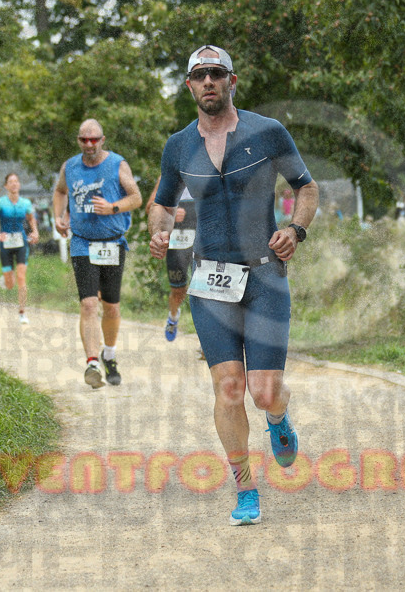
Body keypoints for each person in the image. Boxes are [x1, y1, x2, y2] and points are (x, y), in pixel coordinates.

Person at [148, 45, 319, 526]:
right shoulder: (178, 145)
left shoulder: (267, 132)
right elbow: (159, 202)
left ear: (232, 80)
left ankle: (278, 417)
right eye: (199, 75)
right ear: (188, 86)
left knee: (264, 392)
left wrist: (296, 230)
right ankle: (245, 489)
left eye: (216, 74)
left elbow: (306, 186)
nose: (208, 82)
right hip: (210, 282)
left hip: (264, 274)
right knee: (228, 388)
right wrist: (158, 231)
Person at [53, 118, 142, 389]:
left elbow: (136, 198)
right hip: (82, 242)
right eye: (84, 140)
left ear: (102, 140)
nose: (89, 144)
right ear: (78, 140)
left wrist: (112, 207)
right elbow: (59, 191)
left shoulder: (117, 164)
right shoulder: (70, 167)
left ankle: (109, 355)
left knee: (111, 307)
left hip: (112, 243)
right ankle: (92, 362)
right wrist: (58, 216)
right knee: (89, 304)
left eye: (94, 139)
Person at [146, 175, 196, 342]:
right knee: (178, 290)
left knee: (205, 289)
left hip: (202, 240)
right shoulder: (169, 175)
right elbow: (150, 207)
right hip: (177, 242)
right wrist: (171, 214)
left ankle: (205, 340)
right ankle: (173, 316)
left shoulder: (212, 171)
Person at [0, 173, 40, 324]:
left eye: (16, 181)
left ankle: (22, 312)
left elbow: (31, 219)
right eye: (10, 182)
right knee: (10, 284)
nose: (14, 184)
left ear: (19, 185)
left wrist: (35, 231)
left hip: (21, 242)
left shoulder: (25, 203)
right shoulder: (0, 202)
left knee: (21, 276)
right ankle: (7, 279)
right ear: (6, 186)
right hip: (5, 244)